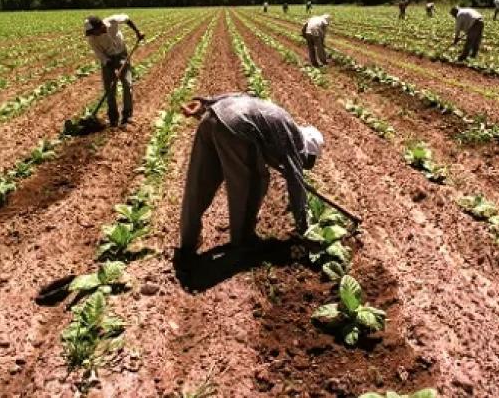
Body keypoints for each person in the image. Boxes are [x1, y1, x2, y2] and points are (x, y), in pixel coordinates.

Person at [177, 93, 324, 258]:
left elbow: (242, 97)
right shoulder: (294, 140)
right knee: (254, 182)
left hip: (211, 116)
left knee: (199, 183)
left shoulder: (282, 122)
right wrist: (305, 228)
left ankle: (188, 242)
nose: (305, 164)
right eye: (308, 161)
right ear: (308, 150)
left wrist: (205, 105)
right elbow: (296, 183)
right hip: (236, 128)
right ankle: (244, 240)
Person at [84, 14, 144, 127]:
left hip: (122, 55)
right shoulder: (92, 38)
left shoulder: (112, 21)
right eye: (91, 33)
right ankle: (113, 119)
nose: (93, 34)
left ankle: (127, 116)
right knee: (110, 89)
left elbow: (127, 19)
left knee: (127, 84)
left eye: (93, 31)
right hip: (107, 59)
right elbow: (100, 54)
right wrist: (109, 64)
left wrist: (137, 32)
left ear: (100, 26)